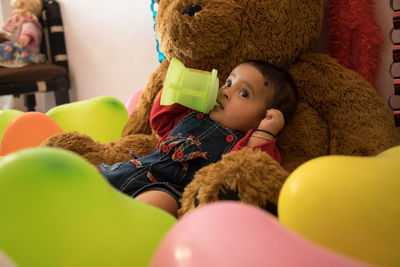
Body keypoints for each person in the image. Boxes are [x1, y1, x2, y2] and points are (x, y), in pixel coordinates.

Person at [97, 61, 297, 216]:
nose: (226, 92)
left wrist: (265, 133)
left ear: (264, 116)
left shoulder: (243, 143)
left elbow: (252, 167)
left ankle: (117, 223)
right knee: (93, 172)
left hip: (170, 191)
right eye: (228, 82)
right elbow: (160, 121)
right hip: (135, 168)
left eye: (244, 93)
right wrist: (181, 90)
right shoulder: (193, 115)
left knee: (157, 203)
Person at [0, 0, 44, 68]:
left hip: (26, 52)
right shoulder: (19, 23)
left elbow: (29, 30)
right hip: (19, 50)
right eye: (13, 8)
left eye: (16, 8)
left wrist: (27, 36)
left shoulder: (28, 23)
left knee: (6, 47)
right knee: (6, 45)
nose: (13, 11)